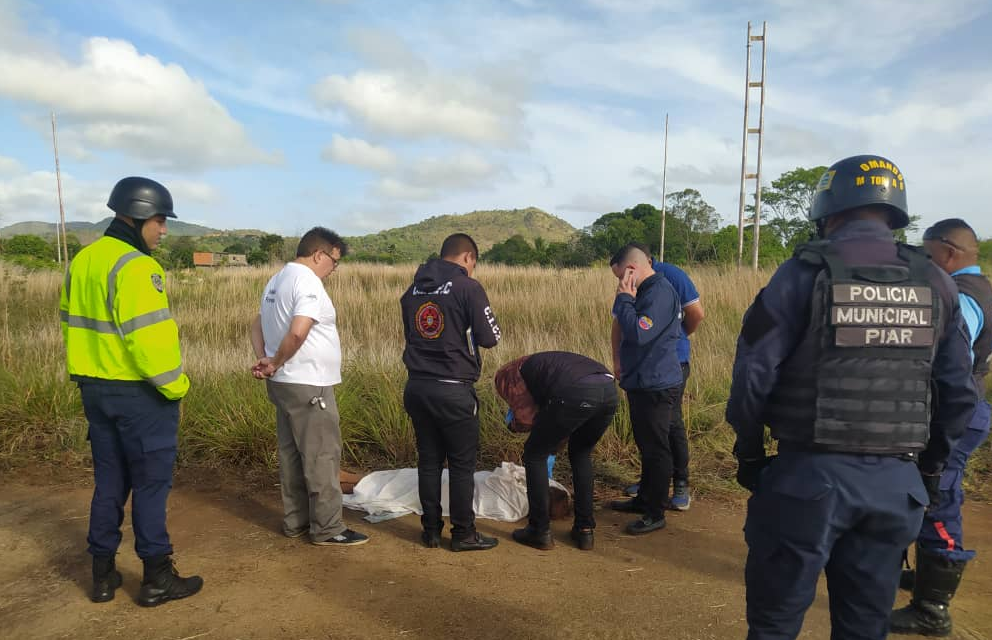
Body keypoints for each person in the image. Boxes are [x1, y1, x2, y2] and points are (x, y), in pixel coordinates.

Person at [726, 155, 977, 640]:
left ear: (828, 208)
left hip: (808, 478)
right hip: (896, 484)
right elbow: (959, 394)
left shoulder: (801, 273)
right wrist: (928, 471)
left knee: (776, 622)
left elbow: (753, 375)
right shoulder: (937, 282)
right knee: (865, 624)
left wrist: (750, 452)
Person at [60, 177, 203, 606]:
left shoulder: (83, 260)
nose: (163, 230)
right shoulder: (138, 266)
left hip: (94, 390)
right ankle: (157, 577)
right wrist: (176, 387)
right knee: (150, 486)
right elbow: (150, 343)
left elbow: (69, 321)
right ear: (138, 215)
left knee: (109, 483)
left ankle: (102, 575)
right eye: (159, 221)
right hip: (140, 396)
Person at [890, 218, 991, 636]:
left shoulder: (962, 296)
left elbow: (953, 364)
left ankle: (932, 608)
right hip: (965, 411)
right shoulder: (980, 287)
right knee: (930, 493)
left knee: (938, 497)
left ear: (949, 253)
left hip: (953, 413)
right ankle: (925, 580)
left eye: (929, 254)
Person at [250, 227, 368, 547]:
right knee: (321, 456)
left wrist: (265, 357)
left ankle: (296, 522)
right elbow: (300, 331)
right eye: (334, 262)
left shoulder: (277, 279)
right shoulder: (308, 282)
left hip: (284, 384)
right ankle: (328, 528)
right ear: (319, 255)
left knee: (291, 455)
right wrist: (275, 361)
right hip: (309, 383)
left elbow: (257, 322)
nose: (333, 270)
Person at [401, 233, 502, 551]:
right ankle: (463, 534)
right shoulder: (467, 287)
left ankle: (430, 530)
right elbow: (490, 337)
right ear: (468, 258)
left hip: (417, 386)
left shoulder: (412, 289)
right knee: (461, 465)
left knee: (428, 461)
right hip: (454, 389)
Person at [494, 352, 619, 551]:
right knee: (580, 454)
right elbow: (557, 421)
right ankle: (585, 530)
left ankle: (539, 530)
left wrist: (513, 425)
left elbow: (526, 419)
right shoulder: (545, 367)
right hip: (608, 391)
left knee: (534, 454)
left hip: (577, 391)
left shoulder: (507, 376)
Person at [611, 244, 704, 510]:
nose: (620, 284)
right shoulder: (648, 290)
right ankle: (645, 499)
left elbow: (639, 333)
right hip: (644, 378)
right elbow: (623, 326)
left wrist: (625, 298)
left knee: (658, 445)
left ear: (631, 270)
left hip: (657, 381)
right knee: (648, 443)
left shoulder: (659, 292)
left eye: (620, 278)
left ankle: (656, 509)